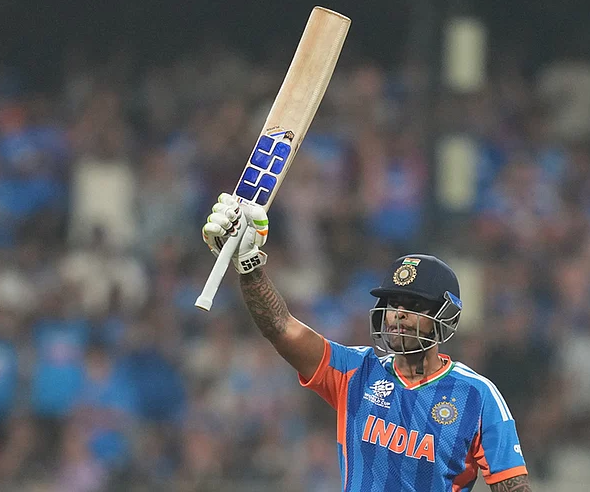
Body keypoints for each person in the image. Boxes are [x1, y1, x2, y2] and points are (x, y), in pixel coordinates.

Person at [202, 193, 531, 491]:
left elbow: (512, 487)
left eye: (414, 306)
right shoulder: (355, 371)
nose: (398, 315)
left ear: (445, 317)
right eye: (393, 304)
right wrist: (248, 265)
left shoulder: (477, 395)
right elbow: (279, 326)